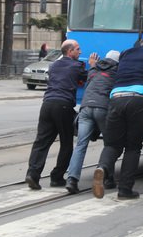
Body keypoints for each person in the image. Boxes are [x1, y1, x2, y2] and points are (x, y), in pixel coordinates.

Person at [92, 40, 143, 200]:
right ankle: (125, 189)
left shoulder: (125, 54)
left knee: (112, 144)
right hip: (139, 99)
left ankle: (103, 168)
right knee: (133, 147)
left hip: (116, 98)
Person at [25, 39, 94, 190]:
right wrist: (93, 66)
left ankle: (33, 174)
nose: (80, 52)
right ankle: (57, 177)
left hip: (47, 105)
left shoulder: (53, 65)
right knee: (66, 143)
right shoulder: (77, 65)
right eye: (77, 49)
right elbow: (88, 77)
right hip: (63, 106)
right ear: (70, 52)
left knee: (41, 142)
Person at [65, 50, 120, 194]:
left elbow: (89, 83)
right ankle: (108, 178)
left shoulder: (94, 69)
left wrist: (93, 64)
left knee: (81, 144)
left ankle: (72, 180)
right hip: (103, 108)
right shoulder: (117, 70)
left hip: (85, 107)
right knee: (110, 144)